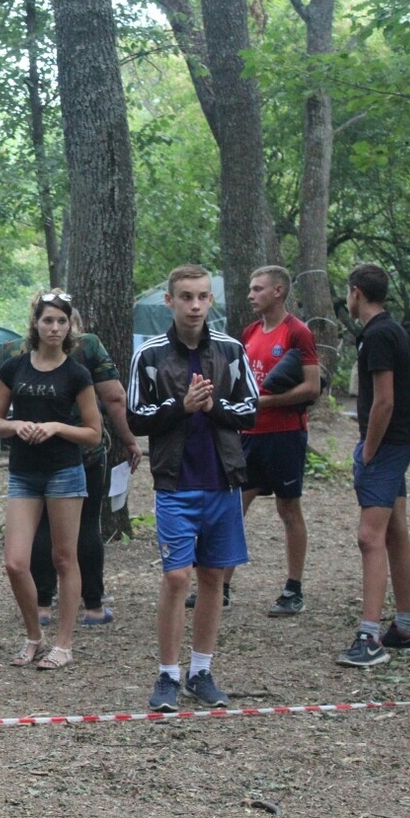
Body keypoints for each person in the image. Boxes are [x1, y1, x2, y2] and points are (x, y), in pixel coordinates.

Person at [127, 264, 257, 711]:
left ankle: (201, 671)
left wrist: (214, 404)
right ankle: (167, 675)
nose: (196, 305)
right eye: (186, 296)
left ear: (211, 300)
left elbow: (250, 410)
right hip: (175, 482)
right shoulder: (149, 354)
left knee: (213, 577)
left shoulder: (231, 349)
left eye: (202, 296)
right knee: (176, 576)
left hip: (223, 481)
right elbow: (135, 418)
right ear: (170, 300)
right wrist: (179, 407)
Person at [189, 266, 320, 615]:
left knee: (288, 508)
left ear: (278, 291)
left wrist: (264, 402)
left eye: (258, 289)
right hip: (248, 434)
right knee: (234, 507)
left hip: (286, 434)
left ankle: (294, 589)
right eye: (250, 288)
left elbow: (312, 386)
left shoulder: (298, 333)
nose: (251, 295)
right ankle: (222, 586)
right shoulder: (249, 331)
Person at [0, 292, 101, 671]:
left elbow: (93, 433)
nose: (54, 328)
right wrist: (16, 425)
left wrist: (57, 426)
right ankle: (33, 635)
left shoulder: (77, 373)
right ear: (35, 325)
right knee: (15, 562)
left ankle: (64, 644)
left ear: (70, 327)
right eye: (48, 320)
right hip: (24, 472)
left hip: (64, 471)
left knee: (63, 557)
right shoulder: (14, 367)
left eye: (61, 322)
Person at [28, 301, 142, 628]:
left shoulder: (12, 351)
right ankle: (92, 606)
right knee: (88, 524)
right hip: (84, 452)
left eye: (61, 320)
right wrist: (129, 439)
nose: (57, 327)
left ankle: (41, 605)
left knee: (43, 526)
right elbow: (115, 397)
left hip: (35, 453)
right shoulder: (88, 346)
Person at [337, 264, 410, 666]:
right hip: (397, 442)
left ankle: (369, 637)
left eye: (347, 293)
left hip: (387, 445)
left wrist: (369, 451)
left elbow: (384, 400)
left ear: (357, 293)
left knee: (369, 538)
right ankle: (406, 627)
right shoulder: (389, 330)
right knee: (395, 531)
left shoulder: (378, 335)